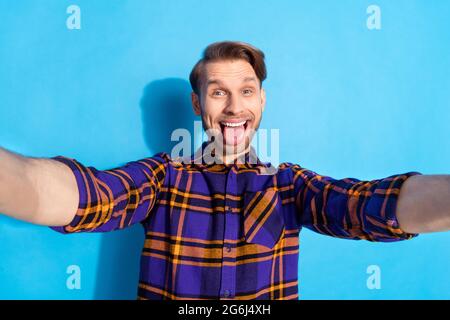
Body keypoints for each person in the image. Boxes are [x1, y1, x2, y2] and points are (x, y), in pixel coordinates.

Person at [1, 41, 449, 300]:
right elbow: (81, 196)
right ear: (197, 105)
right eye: (218, 93)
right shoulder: (163, 179)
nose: (234, 107)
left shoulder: (290, 185)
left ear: (261, 101)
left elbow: (367, 205)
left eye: (246, 91)